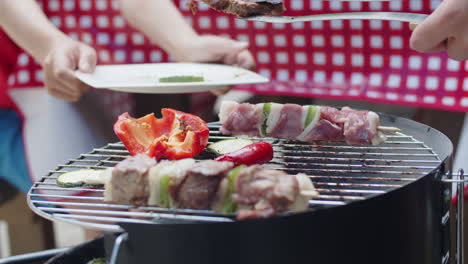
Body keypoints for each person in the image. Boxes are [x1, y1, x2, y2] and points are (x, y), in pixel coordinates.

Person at [0, 0, 255, 194]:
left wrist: (184, 44)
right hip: (9, 106)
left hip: (63, 79)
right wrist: (49, 45)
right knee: (91, 196)